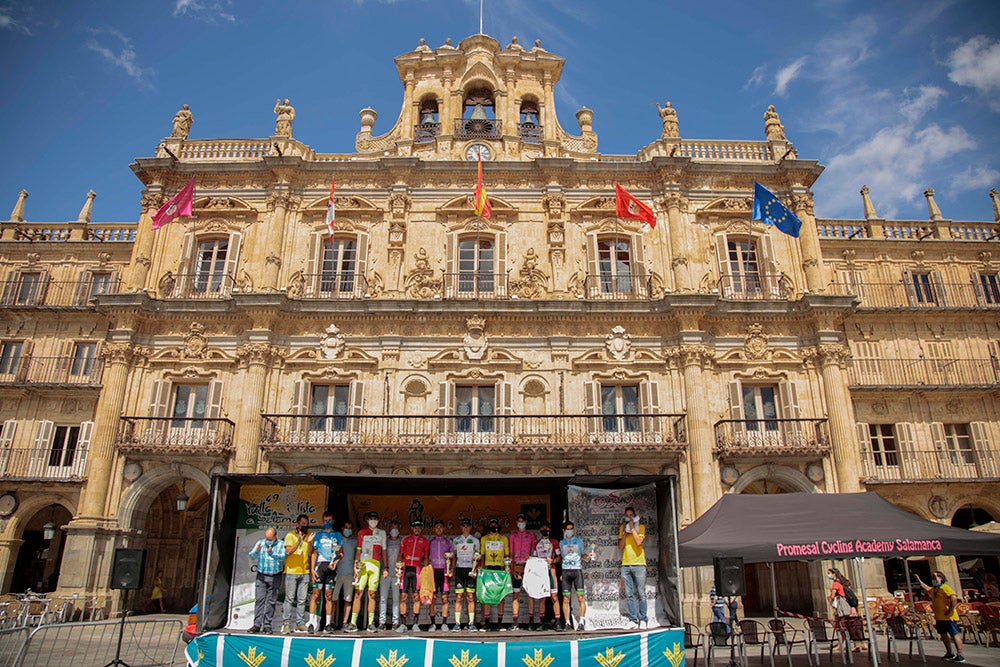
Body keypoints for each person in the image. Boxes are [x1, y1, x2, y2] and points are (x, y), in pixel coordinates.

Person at [345, 511, 386, 633]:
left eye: (375, 518)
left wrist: (387, 567)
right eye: (371, 518)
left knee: (372, 594)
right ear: (367, 520)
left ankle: (370, 623)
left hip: (376, 565)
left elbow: (384, 551)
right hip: (363, 564)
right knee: (358, 593)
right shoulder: (362, 533)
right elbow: (358, 550)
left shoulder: (382, 533)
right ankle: (353, 623)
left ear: (378, 520)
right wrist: (355, 565)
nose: (373, 520)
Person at [916, 571, 965, 662]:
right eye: (933, 577)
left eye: (935, 577)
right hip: (939, 617)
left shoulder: (945, 588)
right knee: (943, 635)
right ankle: (949, 652)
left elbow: (954, 598)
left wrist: (950, 610)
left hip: (948, 617)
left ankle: (960, 654)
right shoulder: (935, 589)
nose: (933, 579)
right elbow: (927, 588)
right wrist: (919, 580)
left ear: (941, 578)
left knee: (954, 634)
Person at [308, 511, 343, 632]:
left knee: (329, 596)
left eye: (329, 520)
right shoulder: (318, 535)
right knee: (316, 594)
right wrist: (312, 569)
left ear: (333, 521)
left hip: (331, 566)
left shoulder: (337, 535)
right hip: (320, 566)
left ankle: (328, 623)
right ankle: (311, 622)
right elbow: (314, 553)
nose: (327, 522)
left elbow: (339, 553)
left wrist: (335, 563)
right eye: (325, 520)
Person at [248, 527, 286, 634]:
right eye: (267, 538)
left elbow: (283, 557)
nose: (268, 541)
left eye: (270, 539)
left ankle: (267, 625)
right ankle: (256, 624)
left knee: (271, 601)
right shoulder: (261, 543)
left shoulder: (280, 544)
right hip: (262, 576)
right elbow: (251, 556)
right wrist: (256, 552)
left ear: (275, 537)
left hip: (275, 576)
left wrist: (271, 553)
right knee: (260, 599)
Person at [528, 520, 562, 630]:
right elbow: (534, 558)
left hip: (550, 570)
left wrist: (552, 561)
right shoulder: (535, 543)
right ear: (540, 530)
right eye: (543, 528)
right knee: (542, 597)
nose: (545, 530)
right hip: (539, 572)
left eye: (547, 528)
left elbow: (559, 558)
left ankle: (558, 622)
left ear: (550, 530)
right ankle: (542, 623)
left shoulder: (554, 542)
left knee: (554, 596)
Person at [282, 514, 313, 634]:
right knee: (289, 599)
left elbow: (310, 553)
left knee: (302, 599)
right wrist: (299, 541)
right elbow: (288, 552)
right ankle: (286, 623)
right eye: (303, 524)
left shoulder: (310, 535)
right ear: (298, 524)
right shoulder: (290, 535)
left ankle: (300, 623)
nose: (305, 526)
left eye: (307, 524)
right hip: (291, 571)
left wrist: (309, 543)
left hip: (304, 571)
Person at [618, 506, 647, 629]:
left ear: (634, 516)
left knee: (641, 593)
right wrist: (625, 532)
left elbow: (639, 542)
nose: (629, 517)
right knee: (629, 594)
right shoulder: (622, 528)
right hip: (626, 564)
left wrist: (632, 528)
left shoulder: (640, 527)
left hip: (639, 564)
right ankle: (633, 619)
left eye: (631, 515)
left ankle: (643, 618)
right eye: (627, 515)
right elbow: (620, 546)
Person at [398, 519, 429, 632]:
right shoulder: (405, 539)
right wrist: (398, 568)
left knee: (416, 596)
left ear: (421, 529)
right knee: (403, 596)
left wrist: (425, 572)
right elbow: (400, 555)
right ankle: (403, 624)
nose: (417, 529)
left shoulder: (425, 541)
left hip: (417, 569)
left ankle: (416, 624)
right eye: (415, 527)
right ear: (412, 528)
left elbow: (426, 557)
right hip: (406, 569)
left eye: (419, 527)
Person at [480, 518, 510, 631]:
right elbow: (482, 555)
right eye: (491, 524)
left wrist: (506, 568)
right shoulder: (484, 539)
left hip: (500, 568)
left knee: (500, 596)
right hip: (488, 568)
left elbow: (507, 555)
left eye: (495, 524)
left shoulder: (503, 539)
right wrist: (482, 570)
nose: (493, 526)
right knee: (487, 595)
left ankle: (500, 623)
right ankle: (487, 623)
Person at [509, 512, 537, 631]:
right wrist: (511, 568)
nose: (521, 523)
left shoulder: (531, 536)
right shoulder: (512, 536)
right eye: (519, 521)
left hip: (528, 566)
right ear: (517, 522)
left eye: (523, 521)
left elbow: (534, 552)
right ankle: (515, 622)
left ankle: (531, 621)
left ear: (526, 522)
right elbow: (510, 553)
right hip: (516, 566)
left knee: (530, 594)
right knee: (515, 594)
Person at [451, 517, 480, 631]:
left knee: (470, 597)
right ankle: (457, 623)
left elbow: (478, 558)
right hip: (459, 570)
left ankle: (471, 623)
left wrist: (476, 570)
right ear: (460, 528)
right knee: (459, 597)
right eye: (463, 526)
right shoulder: (456, 540)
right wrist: (452, 570)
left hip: (470, 570)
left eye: (467, 526)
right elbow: (453, 557)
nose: (465, 528)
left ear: (470, 527)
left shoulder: (475, 541)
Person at [330, 520, 356, 632]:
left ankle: (345, 623)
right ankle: (331, 622)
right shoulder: (337, 540)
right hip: (337, 573)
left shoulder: (355, 541)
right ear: (342, 528)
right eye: (346, 527)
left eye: (350, 528)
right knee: (333, 599)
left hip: (350, 574)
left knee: (348, 600)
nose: (348, 530)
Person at [427, 519, 453, 631]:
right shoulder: (430, 542)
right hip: (433, 572)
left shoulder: (448, 542)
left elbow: (453, 557)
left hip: (444, 572)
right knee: (432, 598)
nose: (439, 529)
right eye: (436, 527)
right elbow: (425, 558)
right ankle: (432, 623)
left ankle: (444, 623)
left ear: (444, 529)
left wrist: (451, 570)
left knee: (444, 598)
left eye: (441, 527)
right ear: (434, 529)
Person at [378, 519, 402, 631]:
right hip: (385, 573)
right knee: (383, 598)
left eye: (396, 528)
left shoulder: (402, 542)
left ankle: (395, 622)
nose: (394, 530)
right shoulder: (385, 541)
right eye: (392, 528)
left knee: (396, 599)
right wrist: (384, 568)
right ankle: (382, 622)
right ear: (389, 530)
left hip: (397, 574)